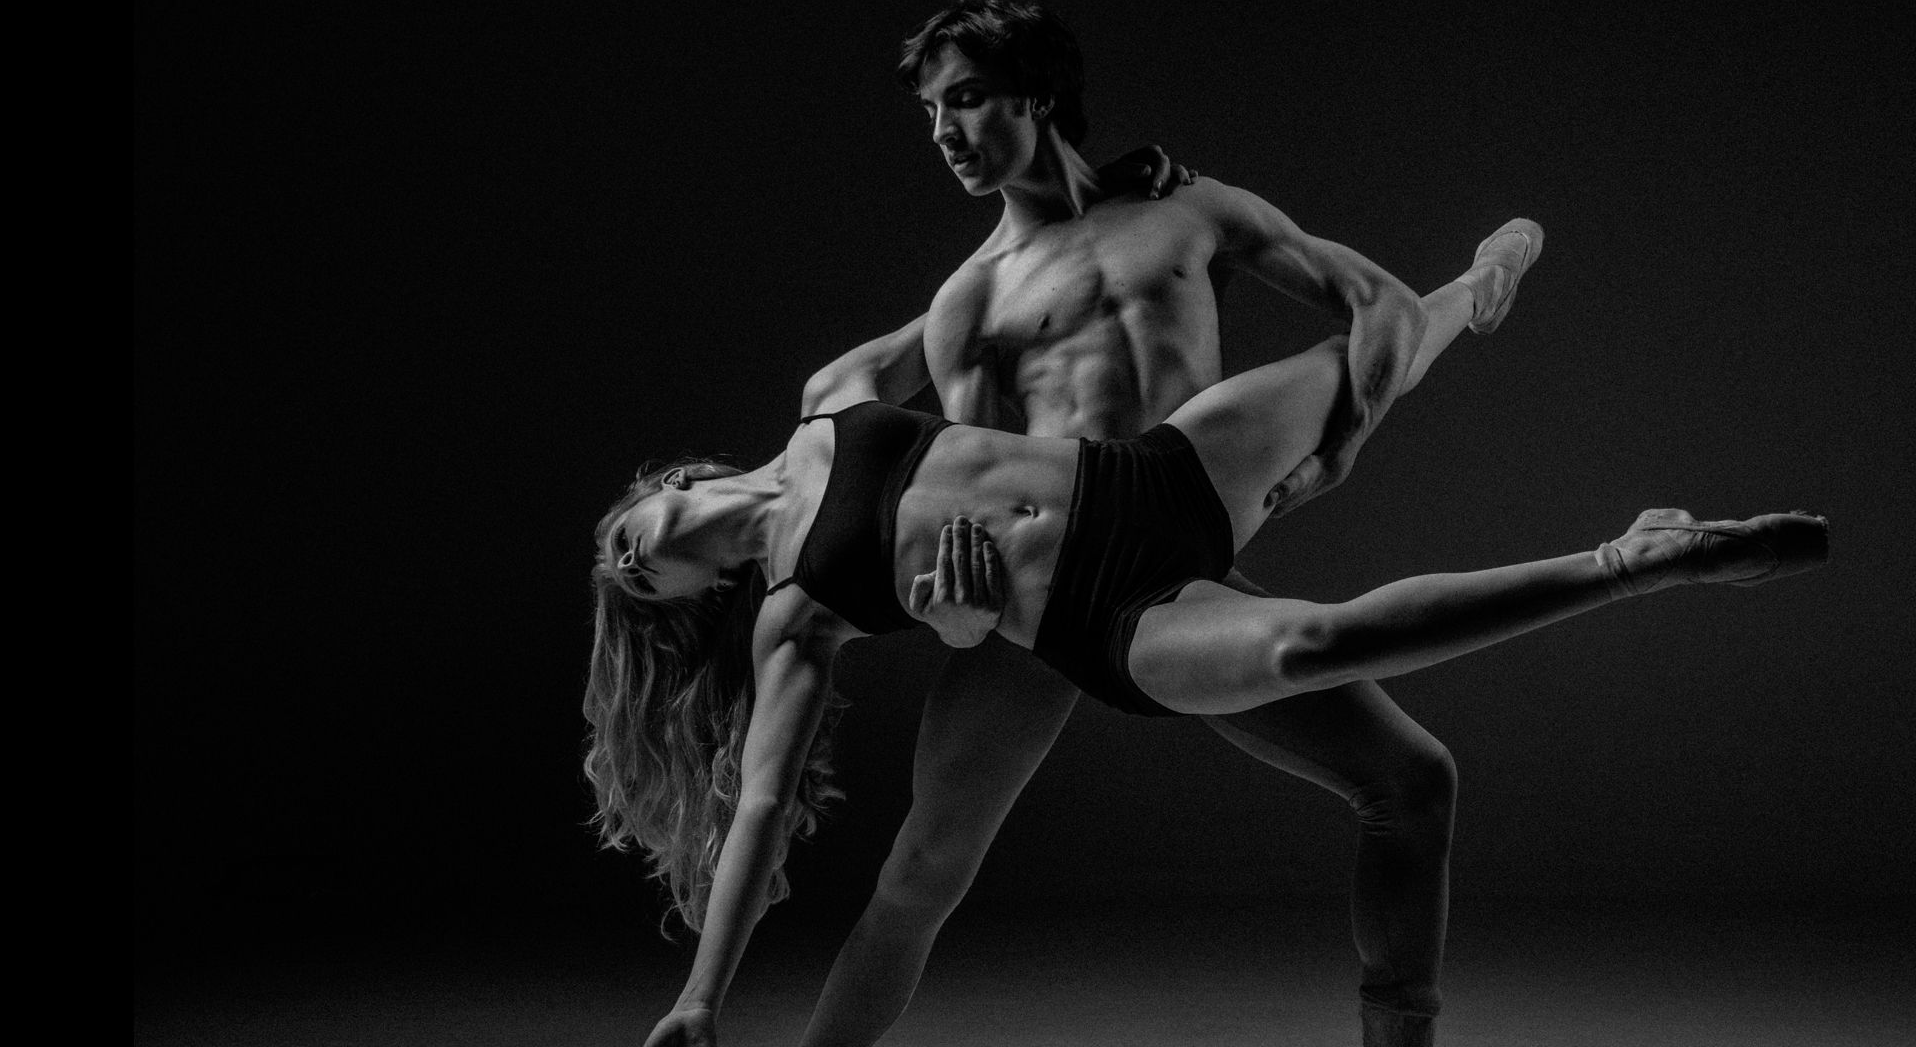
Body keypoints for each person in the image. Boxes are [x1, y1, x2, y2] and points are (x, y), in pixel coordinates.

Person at [587, 304, 1827, 1045]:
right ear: (692, 600)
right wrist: (703, 998)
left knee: (1368, 352)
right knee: (1309, 644)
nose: (627, 565)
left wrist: (1134, 195)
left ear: (662, 488)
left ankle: (1475, 286)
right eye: (632, 588)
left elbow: (984, 295)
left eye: (619, 541)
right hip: (1106, 615)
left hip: (1148, 478)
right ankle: (1630, 561)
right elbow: (761, 805)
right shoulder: (793, 614)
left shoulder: (830, 399)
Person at [786, 0, 1538, 1047]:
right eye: (930, 112)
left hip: (1178, 560)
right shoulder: (968, 302)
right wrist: (960, 616)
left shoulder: (1186, 209)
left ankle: (1475, 288)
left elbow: (1373, 302)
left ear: (1037, 95)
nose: (944, 132)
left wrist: (1339, 450)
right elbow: (984, 492)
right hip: (1059, 592)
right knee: (921, 871)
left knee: (1413, 780)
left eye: (967, 99)